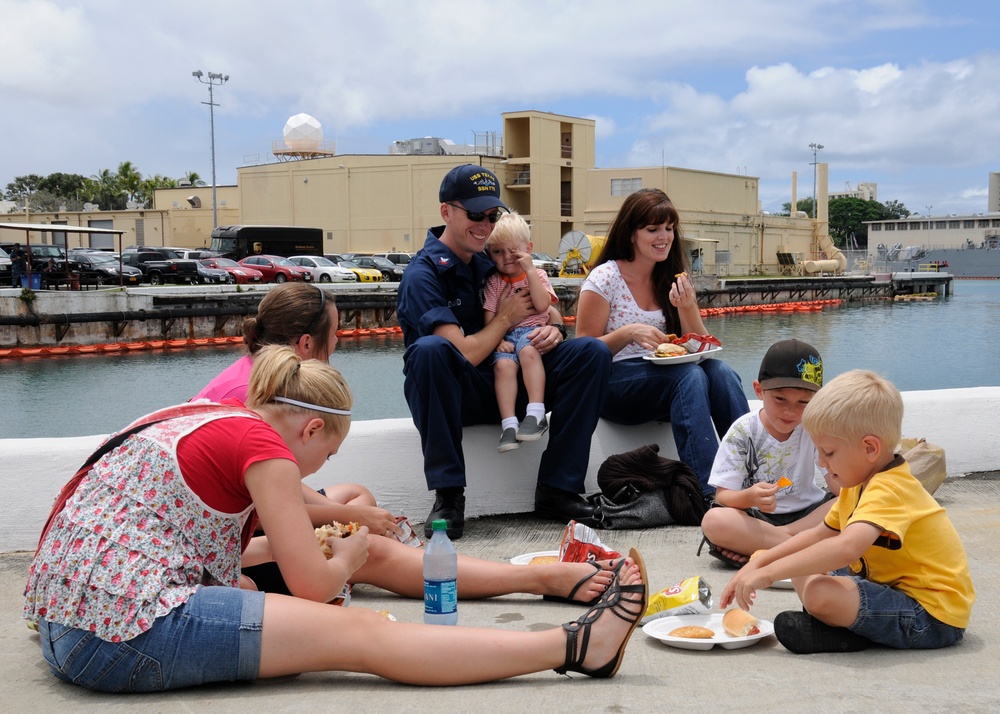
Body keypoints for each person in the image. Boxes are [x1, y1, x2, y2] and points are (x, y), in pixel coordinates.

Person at [24, 345, 648, 691]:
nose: (322, 464)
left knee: (266, 594)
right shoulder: (266, 449)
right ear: (312, 427)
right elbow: (316, 589)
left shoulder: (196, 415)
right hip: (121, 636)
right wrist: (346, 555)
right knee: (363, 635)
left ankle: (557, 615)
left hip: (70, 620)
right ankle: (574, 648)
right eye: (326, 451)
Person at [397, 164, 613, 539]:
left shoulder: (493, 258)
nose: (485, 225)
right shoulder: (424, 274)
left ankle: (558, 489)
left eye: (492, 216)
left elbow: (546, 303)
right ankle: (449, 495)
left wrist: (555, 328)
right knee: (430, 351)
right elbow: (461, 354)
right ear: (446, 211)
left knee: (591, 352)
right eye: (475, 215)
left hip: (515, 376)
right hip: (459, 395)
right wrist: (505, 318)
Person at [720, 370, 975, 654]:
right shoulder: (857, 483)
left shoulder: (890, 489)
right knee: (803, 562)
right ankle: (846, 628)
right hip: (884, 585)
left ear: (869, 448)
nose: (821, 462)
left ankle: (846, 631)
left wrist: (767, 575)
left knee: (818, 592)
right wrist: (760, 562)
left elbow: (846, 548)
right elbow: (818, 535)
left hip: (930, 615)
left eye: (828, 452)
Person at [575, 188, 749, 499]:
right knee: (690, 376)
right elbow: (583, 352)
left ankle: (753, 478)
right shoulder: (604, 279)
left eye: (668, 228)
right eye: (652, 229)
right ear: (631, 234)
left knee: (720, 372)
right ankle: (709, 494)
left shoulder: (671, 276)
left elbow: (700, 345)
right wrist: (628, 332)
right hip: (615, 385)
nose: (663, 236)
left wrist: (686, 307)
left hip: (667, 382)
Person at [193, 283, 396, 540]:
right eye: (333, 333)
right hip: (242, 521)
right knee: (360, 531)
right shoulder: (256, 394)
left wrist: (344, 514)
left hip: (258, 499)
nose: (336, 341)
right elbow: (259, 506)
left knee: (357, 497)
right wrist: (346, 517)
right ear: (306, 343)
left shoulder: (256, 375)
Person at [700, 339, 836, 567]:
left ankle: (774, 548)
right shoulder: (743, 431)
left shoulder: (816, 427)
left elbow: (840, 486)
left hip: (807, 516)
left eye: (803, 402)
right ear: (759, 390)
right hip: (757, 519)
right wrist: (750, 497)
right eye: (780, 399)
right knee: (714, 520)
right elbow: (723, 496)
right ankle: (807, 551)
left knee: (854, 501)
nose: (790, 411)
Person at [482, 211, 558, 452]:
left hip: (532, 331)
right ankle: (509, 424)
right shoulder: (495, 281)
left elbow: (543, 304)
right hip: (505, 335)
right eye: (498, 252)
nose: (507, 258)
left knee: (528, 353)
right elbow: (490, 315)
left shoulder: (539, 275)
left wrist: (531, 271)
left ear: (528, 248)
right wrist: (496, 341)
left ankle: (535, 413)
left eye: (514, 252)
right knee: (503, 366)